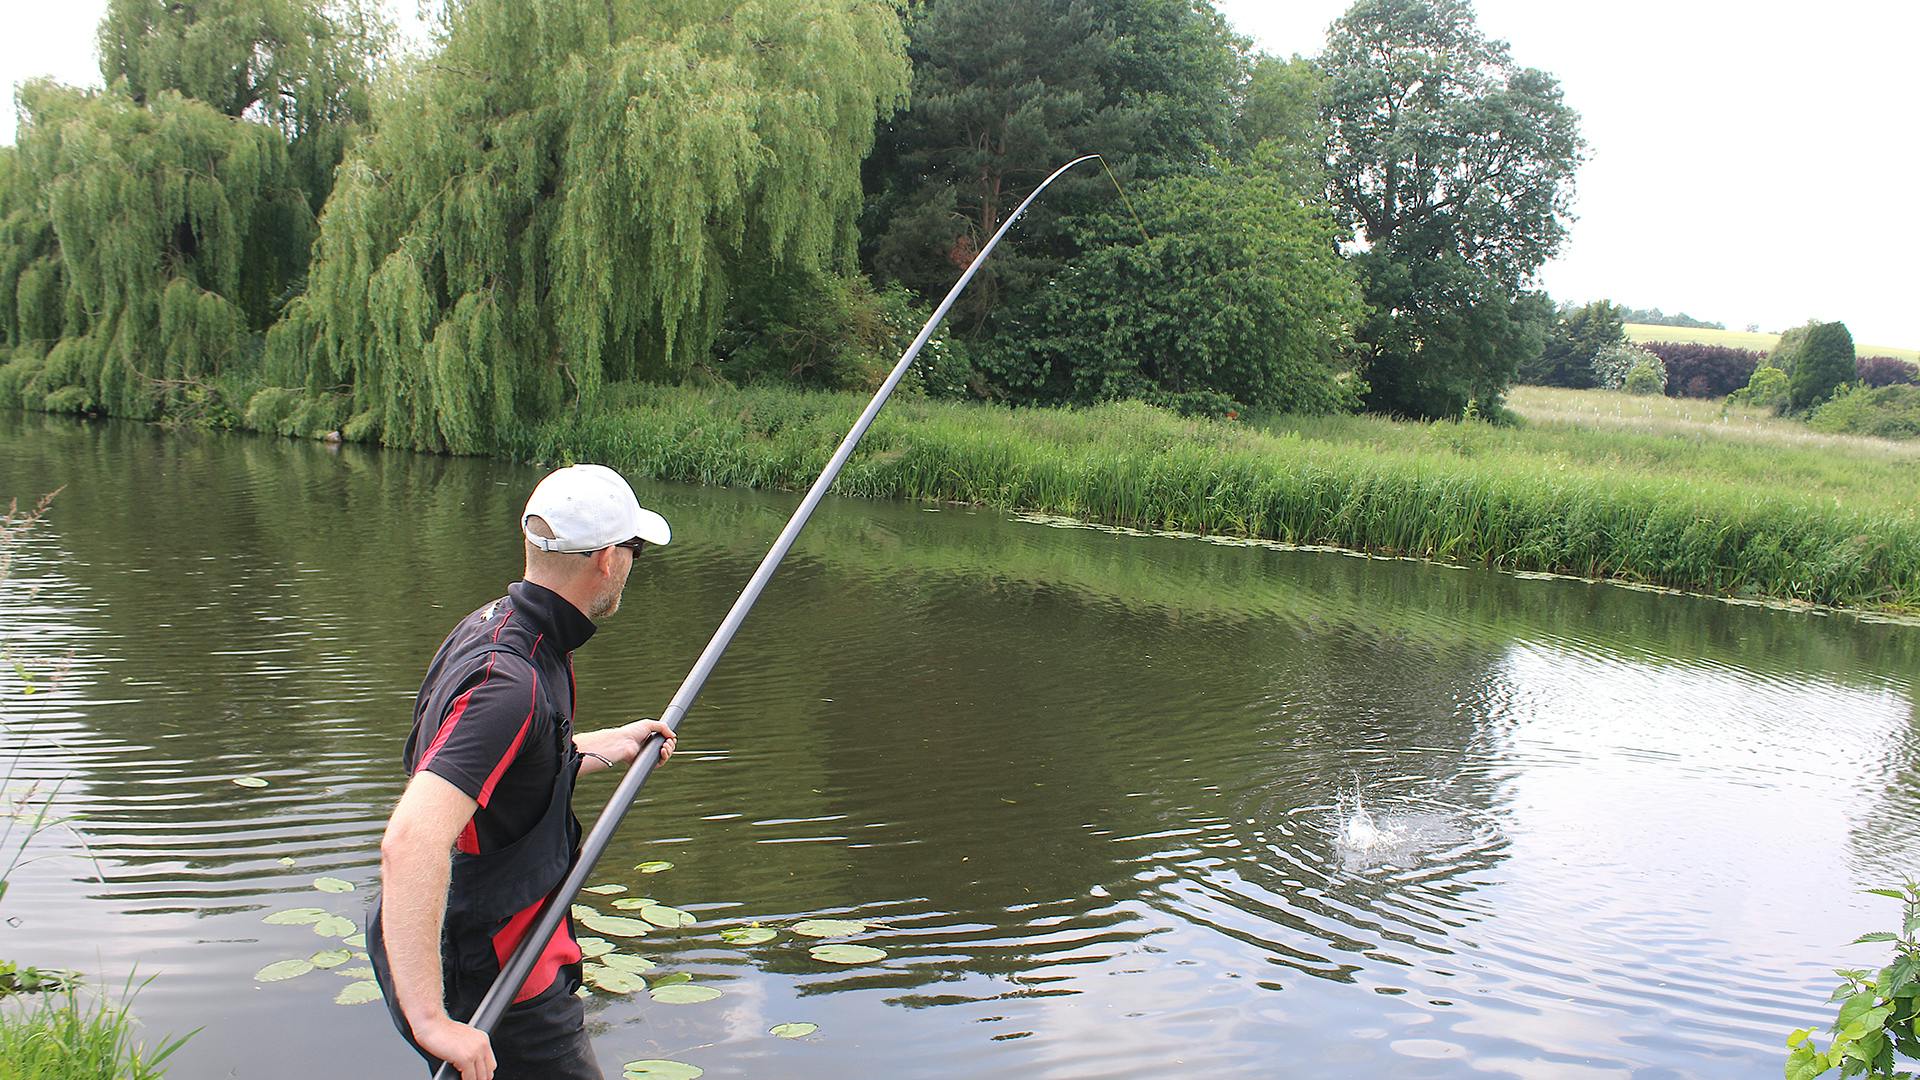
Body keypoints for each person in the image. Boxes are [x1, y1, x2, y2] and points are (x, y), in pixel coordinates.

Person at [368, 464, 677, 1080]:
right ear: (609, 561)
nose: (632, 566)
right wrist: (431, 1020)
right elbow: (411, 840)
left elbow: (509, 774)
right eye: (634, 551)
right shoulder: (511, 683)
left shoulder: (505, 629)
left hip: (497, 940)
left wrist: (607, 745)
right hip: (496, 964)